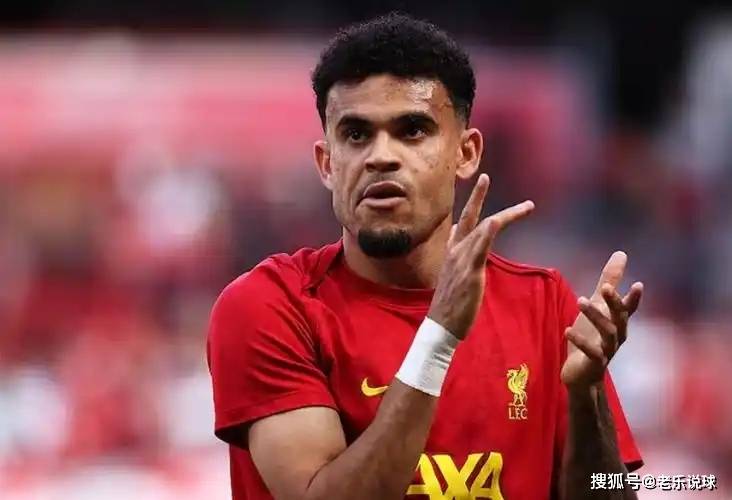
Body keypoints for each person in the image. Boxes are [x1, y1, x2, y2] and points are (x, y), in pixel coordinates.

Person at [207, 12, 645, 500]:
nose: (381, 156)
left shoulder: (544, 305)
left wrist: (586, 397)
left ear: (466, 153)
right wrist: (439, 335)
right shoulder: (270, 306)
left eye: (413, 130)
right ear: (327, 164)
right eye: (356, 134)